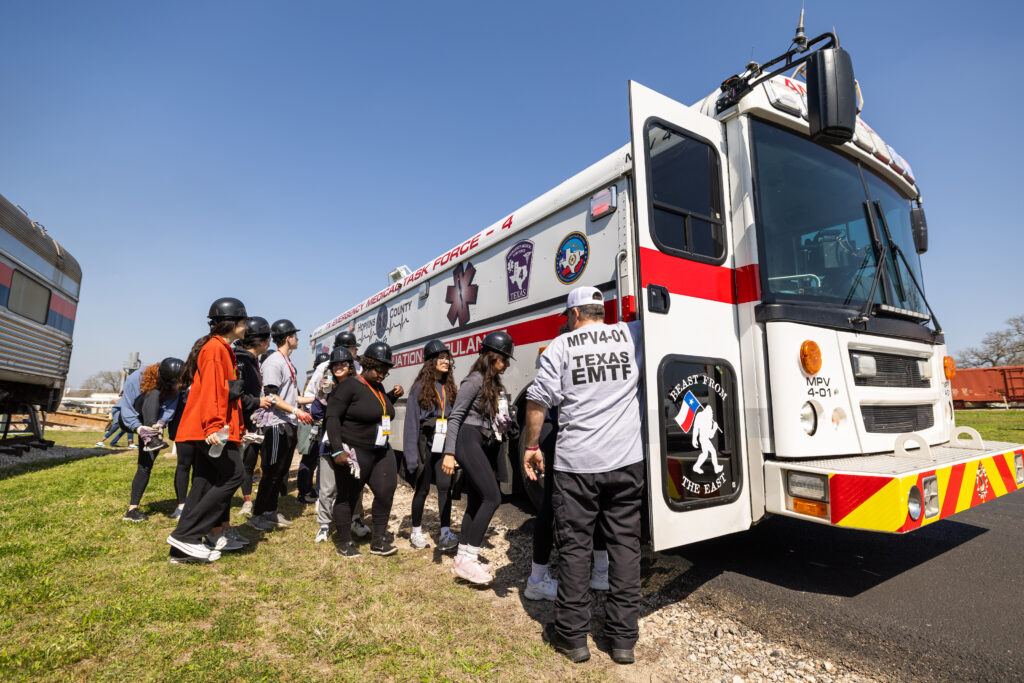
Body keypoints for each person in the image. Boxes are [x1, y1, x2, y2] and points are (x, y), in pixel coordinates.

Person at [523, 286, 644, 665]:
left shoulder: (562, 346)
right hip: (626, 461)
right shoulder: (632, 333)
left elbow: (538, 400)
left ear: (574, 316)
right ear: (600, 311)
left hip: (577, 466)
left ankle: (573, 638)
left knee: (575, 547)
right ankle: (623, 640)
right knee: (625, 545)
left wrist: (531, 446)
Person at [167, 297, 250, 564]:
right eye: (244, 321)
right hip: (211, 428)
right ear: (233, 323)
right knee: (233, 475)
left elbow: (224, 392)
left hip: (209, 427)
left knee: (202, 483)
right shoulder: (216, 349)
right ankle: (187, 535)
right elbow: (214, 391)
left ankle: (180, 549)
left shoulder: (220, 348)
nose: (246, 326)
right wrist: (214, 426)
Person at [441, 331, 516, 585]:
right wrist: (449, 452)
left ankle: (462, 557)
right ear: (491, 356)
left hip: (483, 440)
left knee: (475, 501)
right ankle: (470, 557)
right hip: (468, 438)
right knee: (493, 496)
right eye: (503, 359)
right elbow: (455, 417)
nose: (505, 365)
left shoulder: (492, 383)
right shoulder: (473, 380)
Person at [524, 405, 609, 601]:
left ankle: (601, 571)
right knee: (553, 504)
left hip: (573, 429)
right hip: (562, 429)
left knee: (594, 498)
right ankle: (537, 580)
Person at [325, 341, 400, 557]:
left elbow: (378, 411)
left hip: (380, 450)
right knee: (348, 495)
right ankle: (345, 542)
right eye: (379, 369)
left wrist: (391, 398)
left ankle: (378, 541)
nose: (382, 374)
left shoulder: (379, 387)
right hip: (354, 450)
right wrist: (338, 450)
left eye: (386, 370)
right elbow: (332, 417)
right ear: (367, 364)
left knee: (386, 492)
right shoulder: (349, 386)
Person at [248, 319, 314, 532]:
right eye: (295, 335)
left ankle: (270, 510)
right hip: (276, 424)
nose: (297, 338)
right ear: (288, 338)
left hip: (288, 423)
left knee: (281, 471)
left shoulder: (287, 362)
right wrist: (295, 411)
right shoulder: (275, 362)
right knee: (271, 470)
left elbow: (292, 397)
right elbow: (272, 396)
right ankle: (258, 514)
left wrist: (316, 399)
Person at [403, 339, 459, 551]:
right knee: (422, 489)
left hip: (443, 445)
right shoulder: (418, 388)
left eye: (447, 358)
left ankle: (445, 532)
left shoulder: (449, 388)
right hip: (424, 444)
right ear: (430, 361)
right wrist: (411, 457)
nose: (446, 361)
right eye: (441, 357)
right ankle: (416, 532)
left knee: (445, 487)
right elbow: (410, 425)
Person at [120, 357, 184, 522]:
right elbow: (125, 407)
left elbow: (171, 407)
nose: (171, 387)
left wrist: (161, 423)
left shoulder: (175, 384)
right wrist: (139, 428)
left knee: (145, 464)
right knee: (154, 392)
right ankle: (150, 437)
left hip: (154, 422)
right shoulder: (138, 377)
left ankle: (132, 510)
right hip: (133, 417)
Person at [311, 346, 355, 543]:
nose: (339, 367)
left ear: (350, 366)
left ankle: (355, 520)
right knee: (327, 487)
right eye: (335, 364)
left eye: (343, 363)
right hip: (329, 443)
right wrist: (322, 395)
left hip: (352, 443)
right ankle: (324, 524)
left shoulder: (357, 386)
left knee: (355, 485)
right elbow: (316, 414)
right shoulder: (328, 388)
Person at [233, 316, 274, 517]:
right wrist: (258, 402)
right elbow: (235, 396)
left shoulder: (252, 360)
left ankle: (247, 500)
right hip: (238, 424)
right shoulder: (241, 361)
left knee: (249, 463)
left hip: (251, 422)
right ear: (263, 341)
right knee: (236, 468)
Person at [295, 351, 331, 504]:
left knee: (315, 458)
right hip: (313, 421)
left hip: (317, 421)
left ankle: (312, 491)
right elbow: (307, 400)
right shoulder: (315, 381)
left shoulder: (318, 378)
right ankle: (304, 492)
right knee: (310, 458)